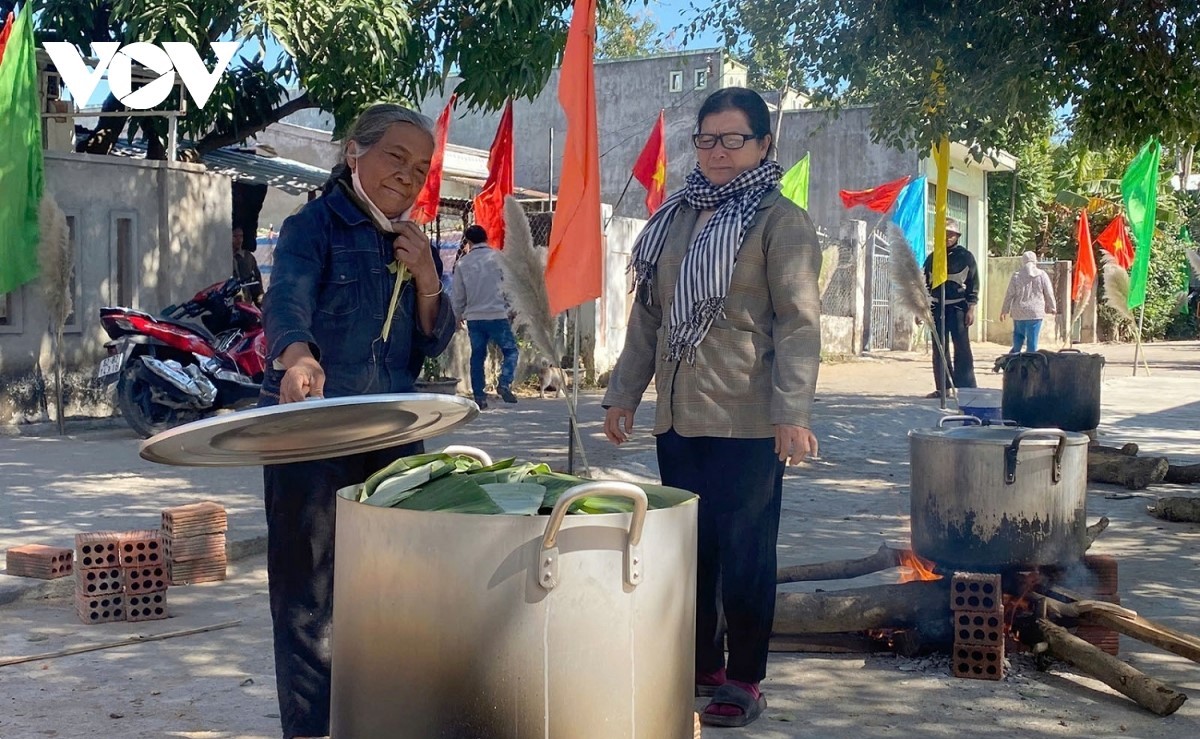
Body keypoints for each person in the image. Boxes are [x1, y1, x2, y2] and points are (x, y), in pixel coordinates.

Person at [602, 87, 821, 729]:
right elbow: (649, 317)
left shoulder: (781, 222)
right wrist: (623, 394)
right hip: (679, 417)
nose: (717, 152)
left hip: (747, 420)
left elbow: (798, 324)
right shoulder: (677, 217)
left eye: (732, 139)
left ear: (763, 145)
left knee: (746, 552)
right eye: (706, 139)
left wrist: (792, 411)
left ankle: (745, 678)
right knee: (689, 550)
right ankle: (702, 665)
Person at [257, 103, 455, 739]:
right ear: (354, 153)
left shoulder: (413, 242)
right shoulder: (312, 226)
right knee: (309, 596)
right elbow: (287, 298)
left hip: (392, 435)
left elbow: (433, 340)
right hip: (311, 433)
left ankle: (374, 720)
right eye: (395, 156)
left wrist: (427, 276)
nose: (408, 175)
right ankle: (312, 729)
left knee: (392, 589)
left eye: (420, 167)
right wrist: (298, 357)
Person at [450, 224, 519, 408]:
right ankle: (504, 383)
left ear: (468, 241)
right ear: (486, 238)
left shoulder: (462, 263)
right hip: (498, 315)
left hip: (475, 318)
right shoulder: (498, 258)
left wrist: (457, 315)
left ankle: (479, 397)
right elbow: (509, 285)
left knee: (477, 357)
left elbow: (458, 295)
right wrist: (511, 307)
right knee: (511, 351)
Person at [923, 218, 979, 398]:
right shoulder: (932, 258)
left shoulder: (966, 257)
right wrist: (922, 308)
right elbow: (924, 284)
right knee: (940, 348)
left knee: (962, 348)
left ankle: (966, 388)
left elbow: (973, 284)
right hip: (936, 308)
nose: (947, 238)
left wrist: (971, 308)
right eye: (944, 234)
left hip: (958, 308)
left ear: (957, 236)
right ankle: (943, 388)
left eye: (951, 235)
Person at [1000, 251, 1057, 353]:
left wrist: (1004, 310)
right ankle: (1030, 360)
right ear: (1035, 261)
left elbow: (1009, 294)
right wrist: (1053, 307)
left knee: (1018, 340)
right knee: (1032, 342)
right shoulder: (1042, 275)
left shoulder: (1016, 276)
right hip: (1035, 313)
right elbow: (1049, 292)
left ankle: (1014, 360)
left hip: (1019, 311)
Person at [231, 226, 264, 305]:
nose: (239, 240)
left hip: (245, 304)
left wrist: (259, 299)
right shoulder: (222, 258)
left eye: (241, 236)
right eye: (235, 236)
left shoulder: (248, 258)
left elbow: (256, 281)